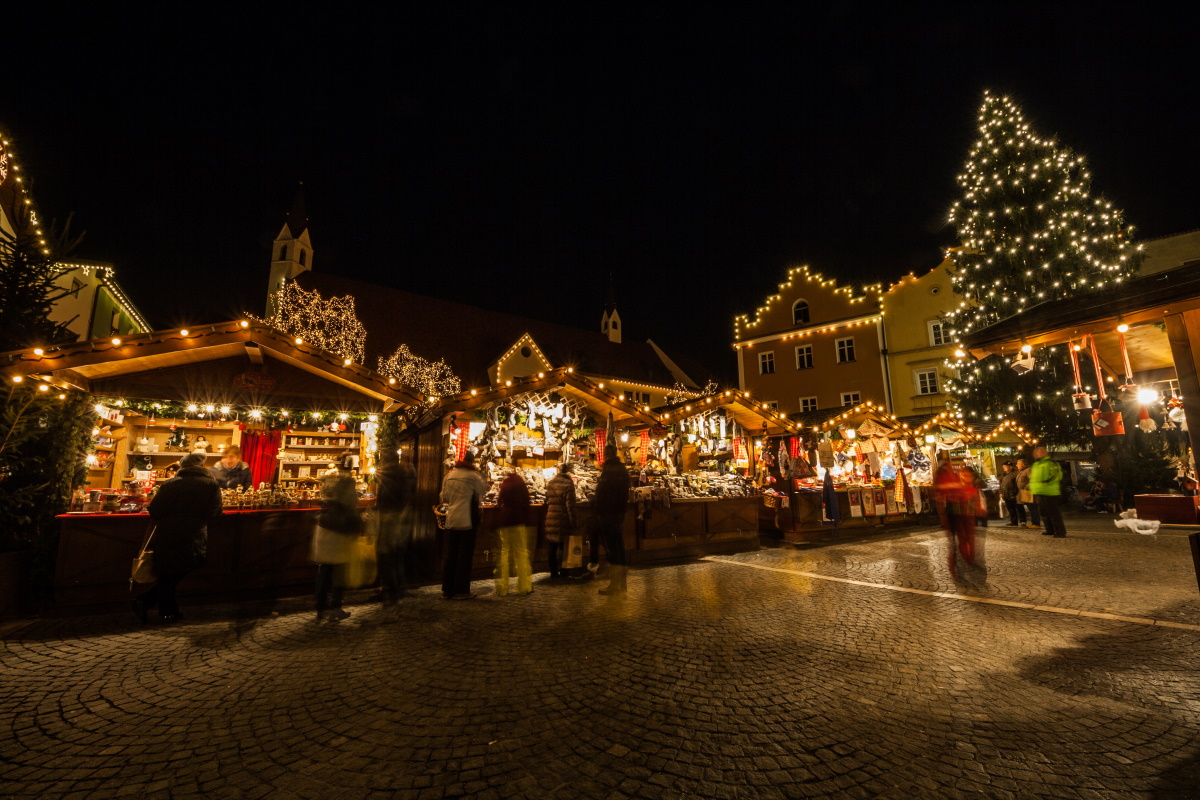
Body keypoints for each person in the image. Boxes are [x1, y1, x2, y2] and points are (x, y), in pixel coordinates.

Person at [133, 453, 222, 624]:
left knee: (170, 570)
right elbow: (215, 511)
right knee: (183, 568)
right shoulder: (211, 484)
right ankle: (164, 609)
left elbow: (155, 510)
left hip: (169, 532)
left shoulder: (170, 484)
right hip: (194, 533)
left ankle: (152, 604)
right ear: (201, 467)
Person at [310, 469, 362, 620]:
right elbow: (350, 519)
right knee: (338, 575)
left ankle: (321, 607)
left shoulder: (327, 501)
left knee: (324, 572)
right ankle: (335, 607)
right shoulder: (345, 501)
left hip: (324, 537)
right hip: (337, 540)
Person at [440, 450, 487, 600]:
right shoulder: (473, 476)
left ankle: (447, 589)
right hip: (467, 519)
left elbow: (443, 496)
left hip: (452, 518)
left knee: (451, 554)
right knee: (465, 555)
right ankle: (461, 590)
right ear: (472, 463)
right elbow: (483, 490)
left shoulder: (450, 476)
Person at [374, 450, 416, 609]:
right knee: (397, 558)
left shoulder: (388, 478)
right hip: (400, 522)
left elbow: (384, 502)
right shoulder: (403, 475)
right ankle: (398, 590)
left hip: (390, 522)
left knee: (387, 559)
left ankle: (392, 593)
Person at [594, 445, 631, 595]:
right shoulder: (622, 469)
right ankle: (622, 583)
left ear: (606, 454)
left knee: (613, 549)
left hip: (608, 513)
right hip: (618, 512)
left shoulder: (609, 470)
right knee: (618, 547)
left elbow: (603, 492)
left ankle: (615, 584)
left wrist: (596, 502)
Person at [933, 458, 975, 579]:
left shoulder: (948, 477)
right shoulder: (945, 477)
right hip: (953, 513)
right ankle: (960, 564)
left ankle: (962, 563)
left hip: (955, 514)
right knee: (958, 541)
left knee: (957, 542)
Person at [494, 470, 533, 596]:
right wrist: (525, 516)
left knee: (504, 552)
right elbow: (527, 502)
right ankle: (524, 586)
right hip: (518, 520)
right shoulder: (520, 483)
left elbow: (499, 501)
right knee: (521, 552)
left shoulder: (505, 483)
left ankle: (502, 588)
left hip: (504, 520)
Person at [544, 463, 578, 581]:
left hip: (551, 517)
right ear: (568, 472)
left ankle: (553, 572)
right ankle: (564, 571)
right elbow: (571, 506)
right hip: (563, 518)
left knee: (552, 547)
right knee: (564, 547)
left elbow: (547, 499)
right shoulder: (569, 484)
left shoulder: (551, 483)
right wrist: (574, 521)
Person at [1030, 446, 1067, 538]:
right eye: (1037, 452)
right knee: (1043, 512)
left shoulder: (1051, 463)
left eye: (1040, 451)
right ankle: (1049, 529)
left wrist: (1046, 483)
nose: (1038, 453)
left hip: (1050, 491)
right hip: (1039, 491)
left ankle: (1060, 531)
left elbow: (1056, 476)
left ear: (1045, 453)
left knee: (1053, 512)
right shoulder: (1035, 465)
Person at [1015, 458, 1041, 531]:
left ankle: (1036, 523)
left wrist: (1026, 487)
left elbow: (1033, 479)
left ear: (1023, 464)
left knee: (1032, 508)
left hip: (1028, 492)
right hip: (1023, 492)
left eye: (1018, 463)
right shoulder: (1021, 471)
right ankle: (1033, 523)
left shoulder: (1028, 470)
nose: (1016, 465)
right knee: (1029, 507)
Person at [999, 462, 1023, 527]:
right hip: (1006, 494)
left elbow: (1017, 483)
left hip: (1014, 493)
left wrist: (1015, 492)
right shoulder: (1003, 474)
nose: (1003, 467)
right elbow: (1001, 484)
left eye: (1005, 466)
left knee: (1019, 507)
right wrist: (1000, 492)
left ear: (1010, 467)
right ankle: (1013, 520)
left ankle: (1022, 521)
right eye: (1003, 466)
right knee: (1010, 508)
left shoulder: (1015, 474)